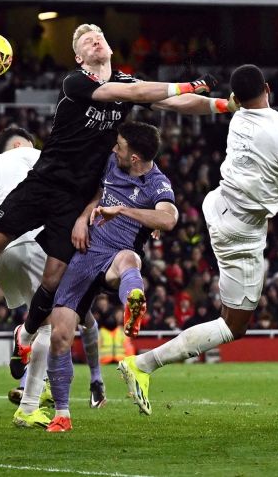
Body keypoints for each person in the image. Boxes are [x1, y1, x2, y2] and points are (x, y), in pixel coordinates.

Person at [0, 23, 233, 380]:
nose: (96, 40)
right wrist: (183, 83)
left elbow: (174, 101)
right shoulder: (75, 83)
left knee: (53, 278)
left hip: (74, 200)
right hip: (43, 184)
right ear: (79, 56)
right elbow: (134, 93)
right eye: (87, 40)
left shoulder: (128, 82)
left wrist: (222, 104)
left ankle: (24, 335)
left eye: (101, 37)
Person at [117, 64, 278, 417]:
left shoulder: (239, 116)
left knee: (231, 317)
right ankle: (143, 365)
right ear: (268, 87)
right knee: (233, 326)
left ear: (236, 97)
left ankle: (145, 364)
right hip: (240, 232)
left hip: (221, 207)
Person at [42, 121, 178, 433]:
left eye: (120, 146)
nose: (114, 148)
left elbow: (168, 218)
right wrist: (82, 217)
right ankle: (62, 415)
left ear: (134, 158)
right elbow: (97, 191)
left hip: (117, 254)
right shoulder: (109, 162)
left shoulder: (156, 183)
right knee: (60, 334)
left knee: (131, 260)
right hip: (85, 252)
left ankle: (133, 302)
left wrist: (125, 212)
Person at [0, 125, 107, 425]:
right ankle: (29, 406)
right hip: (28, 242)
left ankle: (29, 351)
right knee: (51, 323)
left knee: (42, 314)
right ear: (23, 145)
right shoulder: (34, 156)